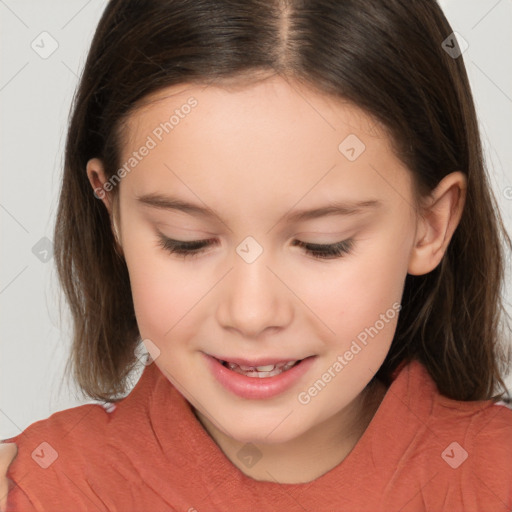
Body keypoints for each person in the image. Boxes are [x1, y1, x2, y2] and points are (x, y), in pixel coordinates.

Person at [1, 0, 512, 510]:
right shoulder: (45, 491)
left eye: (323, 244)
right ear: (111, 209)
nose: (251, 313)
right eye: (186, 240)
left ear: (432, 224)